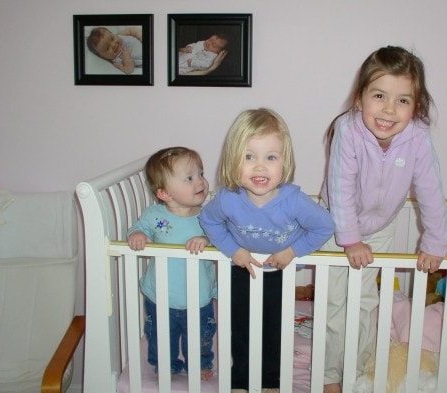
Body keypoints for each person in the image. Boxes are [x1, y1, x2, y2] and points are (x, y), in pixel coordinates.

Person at [321, 46, 447, 393]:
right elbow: (341, 187)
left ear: (416, 106)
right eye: (379, 96)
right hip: (336, 225)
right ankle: (330, 375)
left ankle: (357, 366)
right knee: (336, 302)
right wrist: (349, 238)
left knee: (365, 302)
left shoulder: (418, 139)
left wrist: (435, 242)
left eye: (403, 100)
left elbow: (431, 192)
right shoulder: (347, 130)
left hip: (379, 228)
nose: (389, 110)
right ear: (360, 98)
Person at [199, 108, 335, 393]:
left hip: (278, 272)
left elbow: (324, 226)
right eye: (249, 157)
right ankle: (240, 381)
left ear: (284, 163)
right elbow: (208, 220)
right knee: (240, 330)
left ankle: (271, 381)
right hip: (240, 270)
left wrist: (293, 251)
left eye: (270, 157)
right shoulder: (227, 198)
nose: (260, 167)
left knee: (274, 331)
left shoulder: (294, 201)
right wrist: (232, 249)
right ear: (233, 160)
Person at [127, 147, 217, 380]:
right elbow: (138, 228)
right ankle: (165, 364)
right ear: (164, 193)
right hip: (160, 295)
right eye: (189, 178)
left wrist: (206, 239)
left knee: (200, 336)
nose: (200, 181)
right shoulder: (154, 215)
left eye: (200, 173)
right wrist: (137, 235)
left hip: (199, 296)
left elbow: (222, 240)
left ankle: (200, 363)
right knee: (159, 334)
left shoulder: (208, 216)